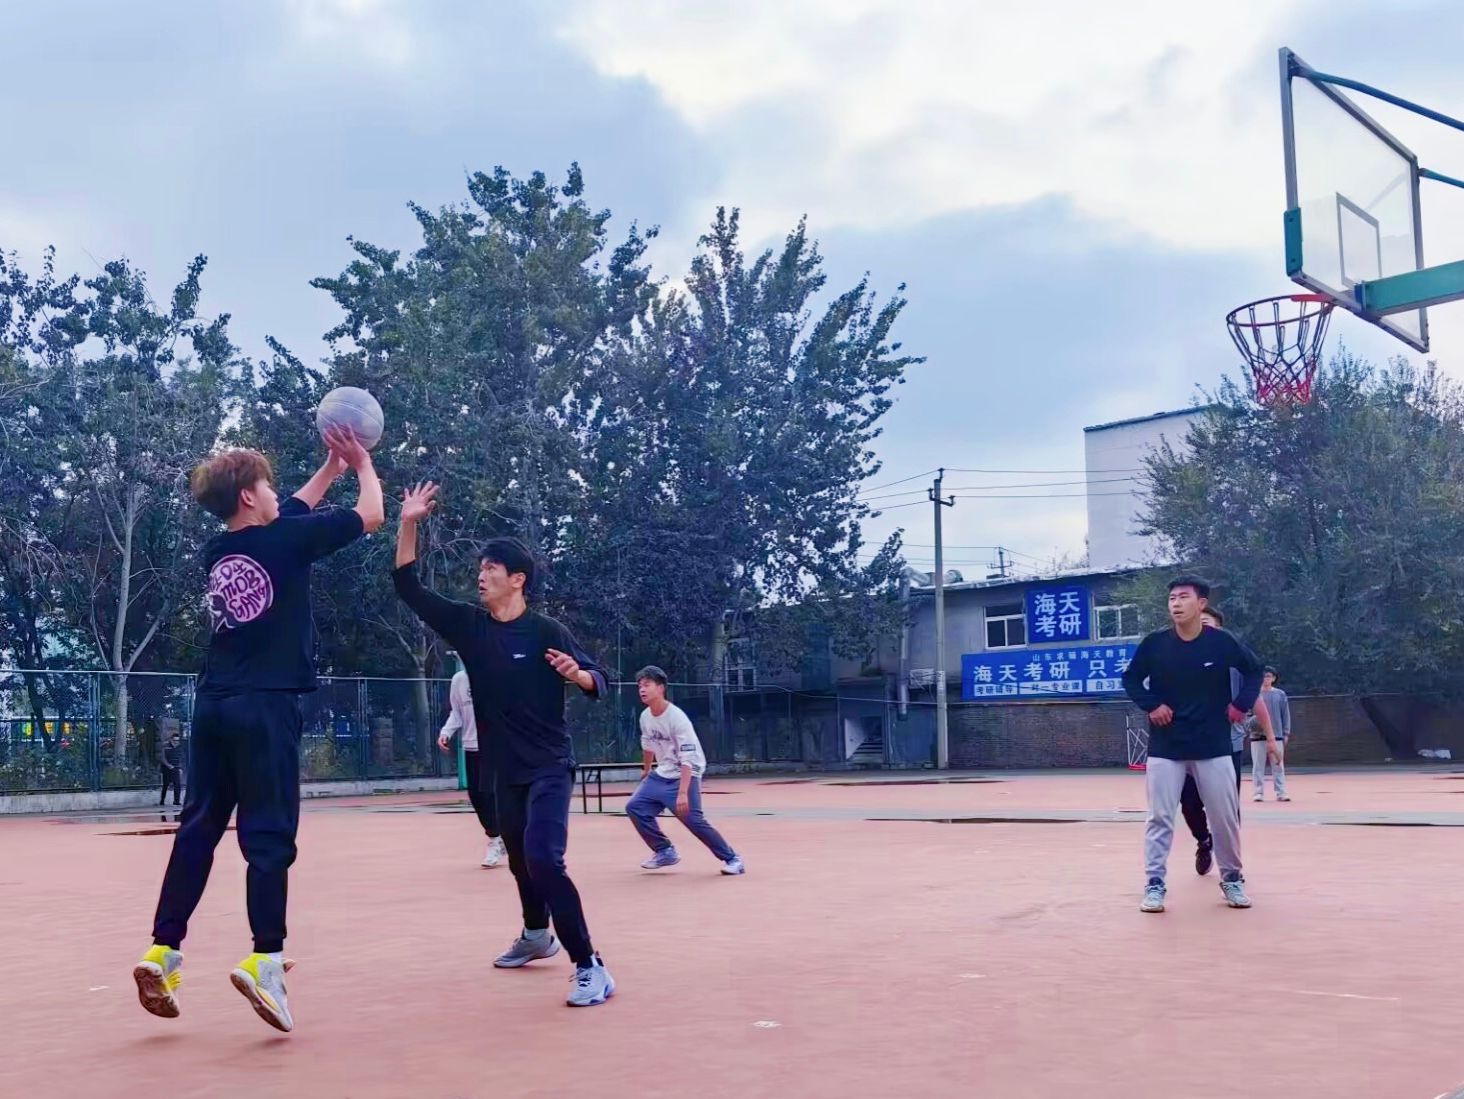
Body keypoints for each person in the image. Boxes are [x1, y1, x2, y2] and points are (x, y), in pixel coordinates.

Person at [133, 429, 384, 1033]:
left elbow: (290, 509)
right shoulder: (287, 541)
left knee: (199, 827)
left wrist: (329, 467)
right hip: (266, 706)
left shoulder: (218, 551)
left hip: (214, 703)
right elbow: (372, 514)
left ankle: (163, 951)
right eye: (268, 485)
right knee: (268, 836)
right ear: (249, 496)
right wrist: (362, 464)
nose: (278, 493)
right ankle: (265, 958)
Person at [392, 482, 615, 1008]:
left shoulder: (546, 631)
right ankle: (537, 934)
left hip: (549, 766)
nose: (481, 574)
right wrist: (408, 522)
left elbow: (601, 681)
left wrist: (579, 675)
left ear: (518, 579)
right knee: (519, 860)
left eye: (491, 568)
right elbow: (408, 585)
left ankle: (590, 966)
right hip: (503, 771)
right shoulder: (469, 627)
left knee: (544, 859)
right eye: (481, 568)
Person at [1121, 577, 1266, 914]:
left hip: (1213, 744)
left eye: (1183, 597)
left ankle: (1232, 878)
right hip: (1166, 746)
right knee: (1159, 817)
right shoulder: (1155, 644)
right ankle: (1154, 884)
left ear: (1201, 604)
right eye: (1172, 598)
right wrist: (1151, 705)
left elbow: (1254, 671)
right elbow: (1130, 678)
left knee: (1224, 817)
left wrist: (1241, 704)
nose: (1175, 603)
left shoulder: (1221, 642)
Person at [1180, 607, 1278, 876]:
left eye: (1206, 623)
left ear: (1220, 630)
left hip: (1226, 745)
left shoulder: (1235, 663)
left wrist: (1271, 738)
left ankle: (1231, 869)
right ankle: (1204, 841)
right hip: (1187, 745)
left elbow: (1256, 701)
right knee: (1189, 803)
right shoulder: (1179, 659)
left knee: (1227, 808)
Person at [625, 666, 744, 875]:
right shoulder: (645, 716)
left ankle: (733, 859)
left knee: (693, 820)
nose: (642, 689)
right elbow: (648, 745)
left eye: (647, 685)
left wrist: (682, 793)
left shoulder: (677, 718)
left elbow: (688, 757)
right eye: (639, 686)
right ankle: (665, 851)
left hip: (687, 772)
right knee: (635, 807)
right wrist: (646, 771)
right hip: (662, 772)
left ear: (660, 688)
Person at [438, 660, 506, 867]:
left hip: (496, 745)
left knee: (491, 793)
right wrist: (446, 732)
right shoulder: (459, 680)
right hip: (471, 746)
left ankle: (497, 840)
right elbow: (456, 713)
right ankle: (497, 836)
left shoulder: (498, 674)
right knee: (476, 795)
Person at [1252, 667, 1293, 802]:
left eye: (1268, 676)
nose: (1266, 679)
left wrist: (1286, 732)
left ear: (1274, 678)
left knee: (1278, 765)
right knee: (1258, 766)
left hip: (1277, 735)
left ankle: (1281, 792)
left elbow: (1285, 715)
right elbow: (1247, 714)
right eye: (1263, 676)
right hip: (1257, 736)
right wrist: (1252, 725)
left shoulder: (1280, 695)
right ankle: (1258, 792)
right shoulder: (1254, 694)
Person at [159, 733, 184, 807]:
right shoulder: (166, 746)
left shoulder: (179, 747)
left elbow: (181, 758)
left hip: (176, 767)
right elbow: (162, 758)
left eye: (177, 740)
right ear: (171, 740)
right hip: (166, 768)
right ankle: (162, 800)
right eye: (175, 740)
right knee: (165, 785)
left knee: (177, 784)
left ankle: (176, 801)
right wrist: (169, 766)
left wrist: (180, 768)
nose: (176, 742)